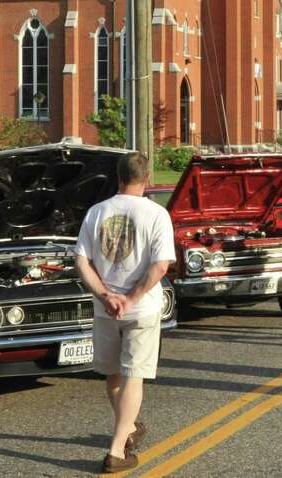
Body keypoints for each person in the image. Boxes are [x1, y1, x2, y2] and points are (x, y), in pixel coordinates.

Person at [73, 152, 176, 474]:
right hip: (141, 309)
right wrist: (130, 298)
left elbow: (81, 261)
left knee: (114, 374)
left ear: (118, 178)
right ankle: (117, 450)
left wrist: (106, 295)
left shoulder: (96, 212)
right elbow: (160, 266)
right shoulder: (157, 214)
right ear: (147, 179)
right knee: (134, 375)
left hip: (105, 310)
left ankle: (128, 429)